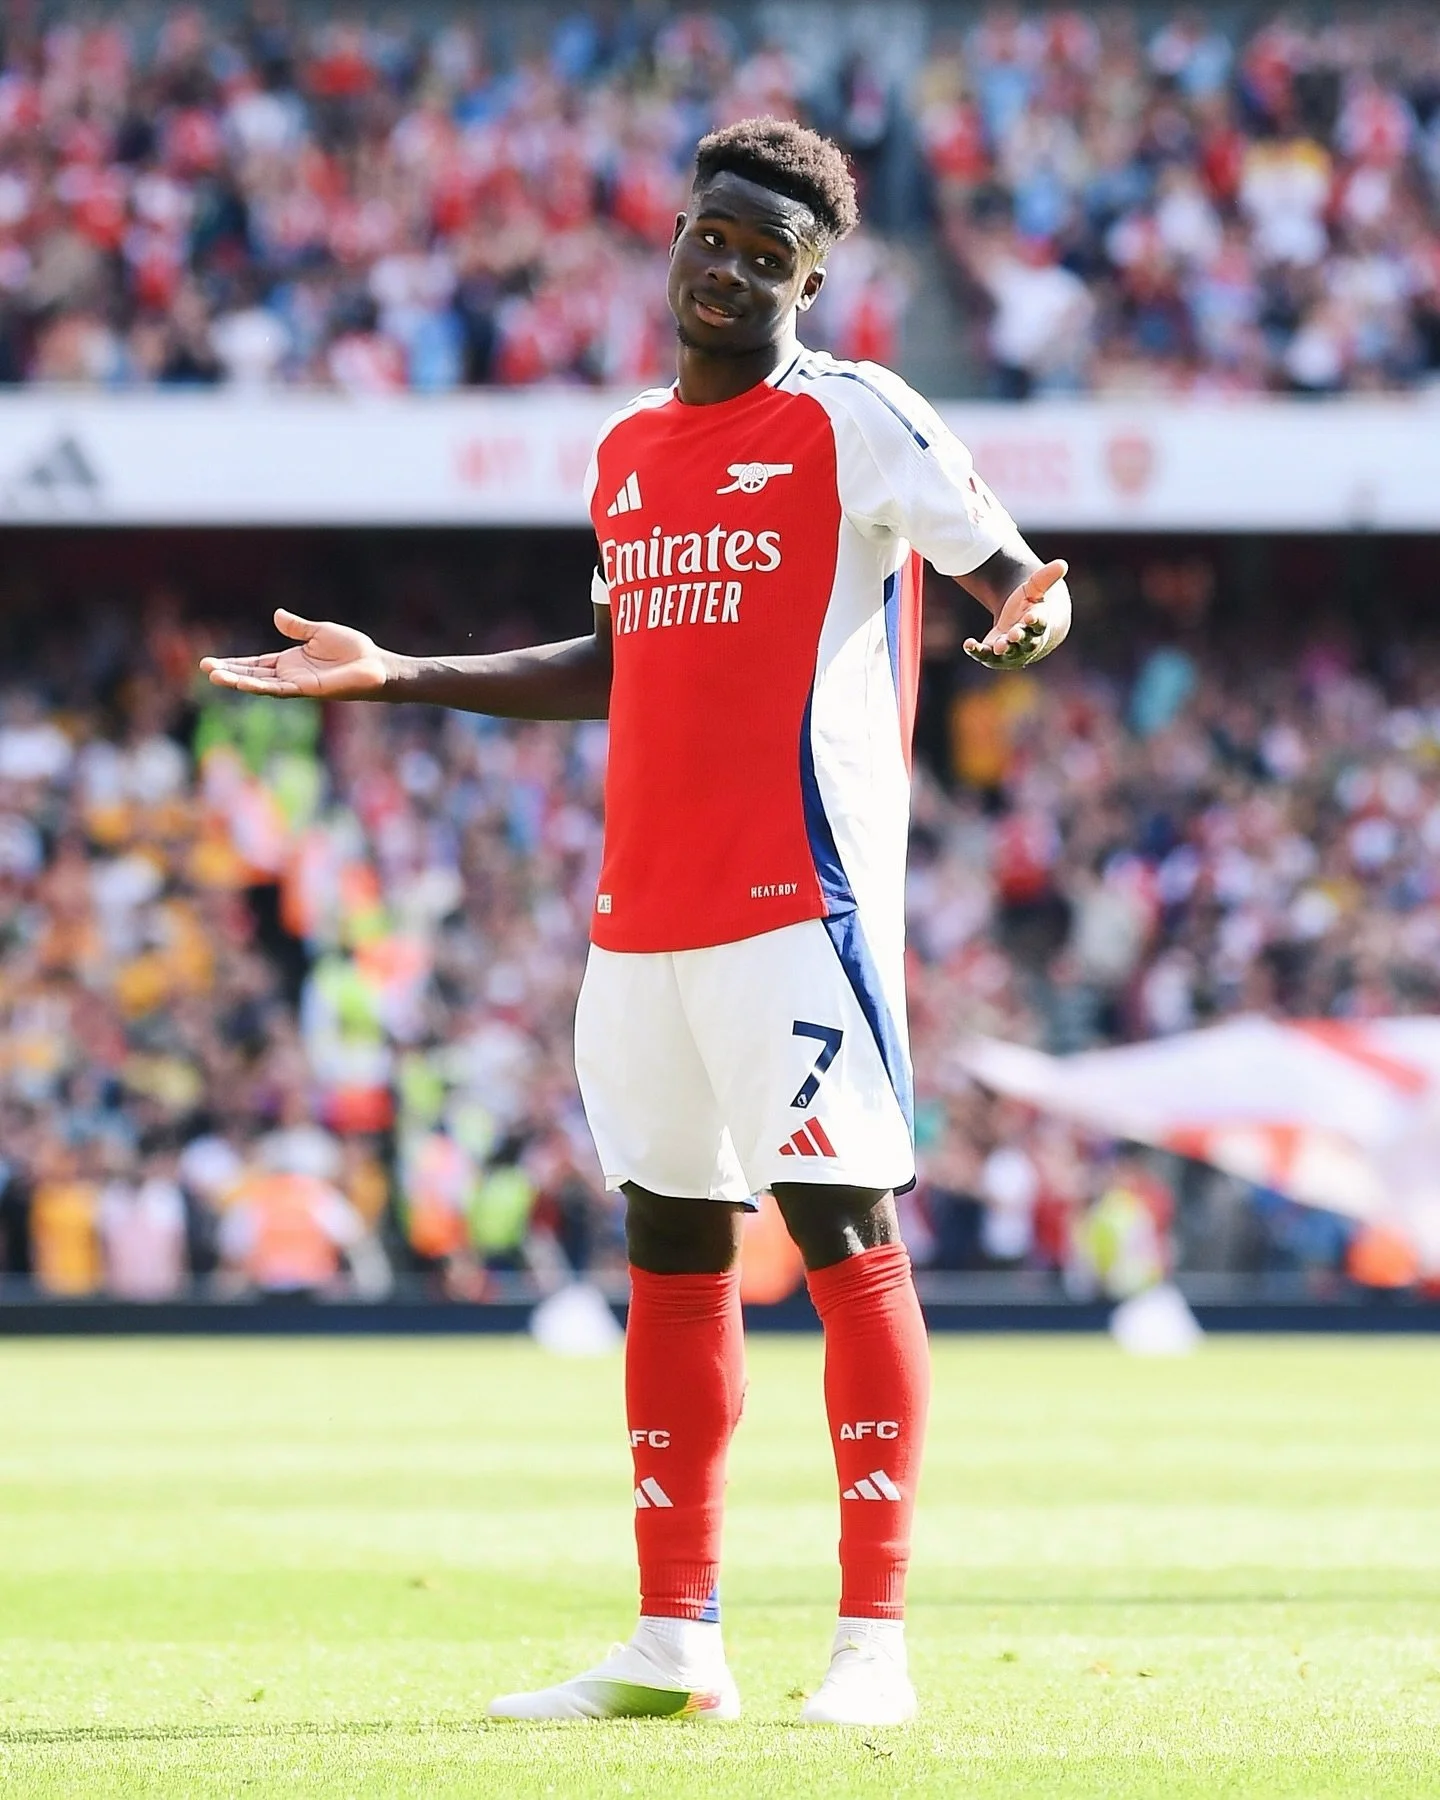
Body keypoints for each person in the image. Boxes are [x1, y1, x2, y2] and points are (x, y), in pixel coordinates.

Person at [202, 117, 1071, 1729]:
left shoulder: (855, 415)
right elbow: (619, 665)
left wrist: (1026, 623)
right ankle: (679, 1639)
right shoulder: (623, 450)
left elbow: (1017, 574)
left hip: (793, 908)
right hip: (639, 922)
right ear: (675, 239)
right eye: (713, 238)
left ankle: (871, 1647)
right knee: (670, 1252)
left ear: (812, 275)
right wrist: (399, 671)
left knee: (844, 1245)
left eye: (770, 254)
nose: (732, 270)